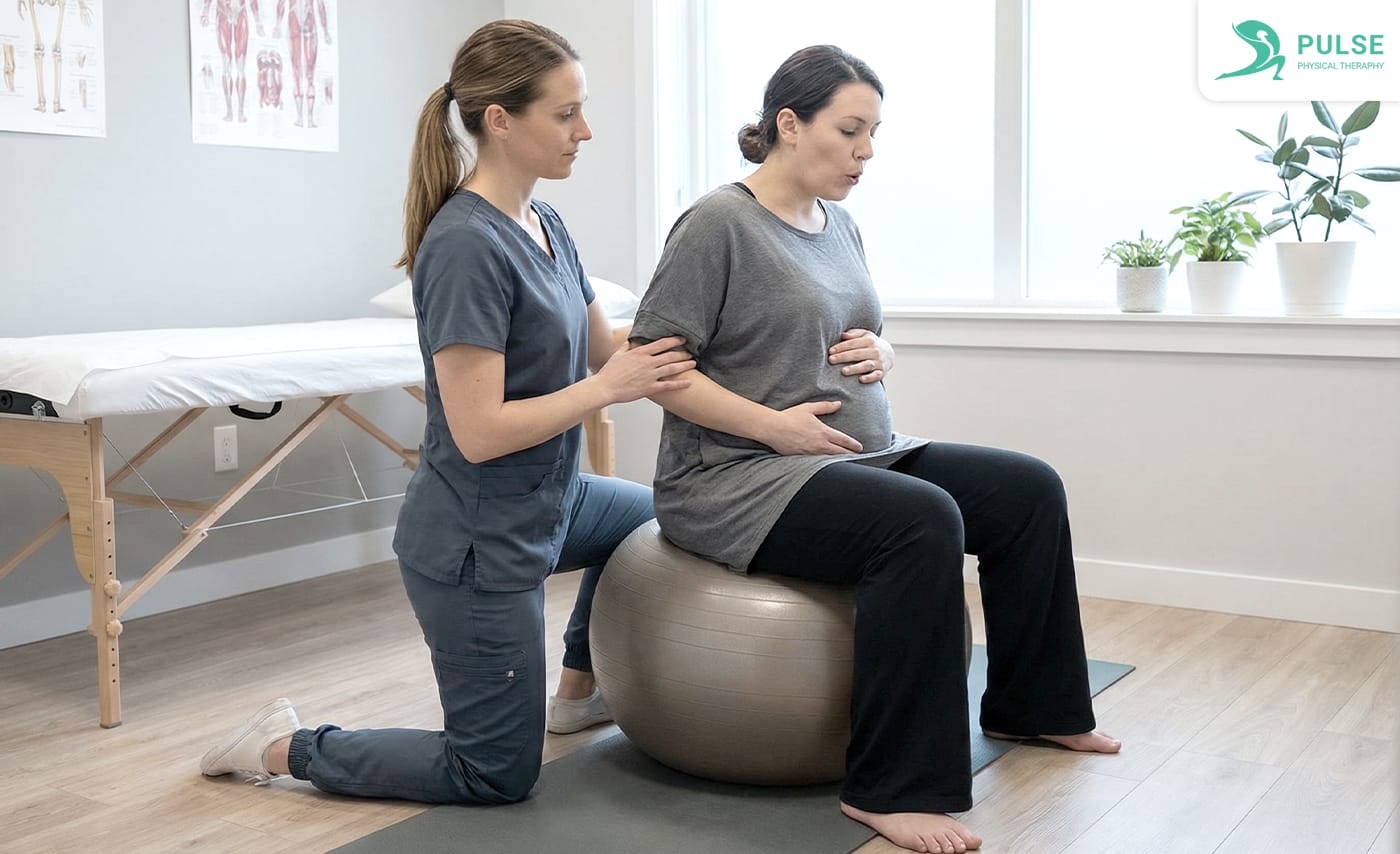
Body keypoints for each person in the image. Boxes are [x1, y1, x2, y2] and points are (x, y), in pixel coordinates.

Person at [629, 45, 1120, 854]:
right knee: (922, 521)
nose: (866, 152)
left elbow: (856, 330)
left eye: (874, 134)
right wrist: (771, 426)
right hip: (737, 478)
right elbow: (654, 368)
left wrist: (883, 354)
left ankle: (1039, 708)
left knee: (1028, 489)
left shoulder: (839, 221)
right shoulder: (718, 223)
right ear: (789, 125)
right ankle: (891, 788)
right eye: (850, 130)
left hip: (858, 457)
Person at [199, 19, 693, 805]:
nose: (585, 131)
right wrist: (609, 390)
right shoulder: (465, 246)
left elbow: (606, 349)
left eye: (583, 109)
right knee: (495, 772)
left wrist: (716, 332)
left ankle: (574, 692)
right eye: (566, 114)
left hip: (556, 503)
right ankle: (281, 746)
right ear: (500, 119)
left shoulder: (547, 223)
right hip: (475, 542)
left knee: (668, 515)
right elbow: (481, 430)